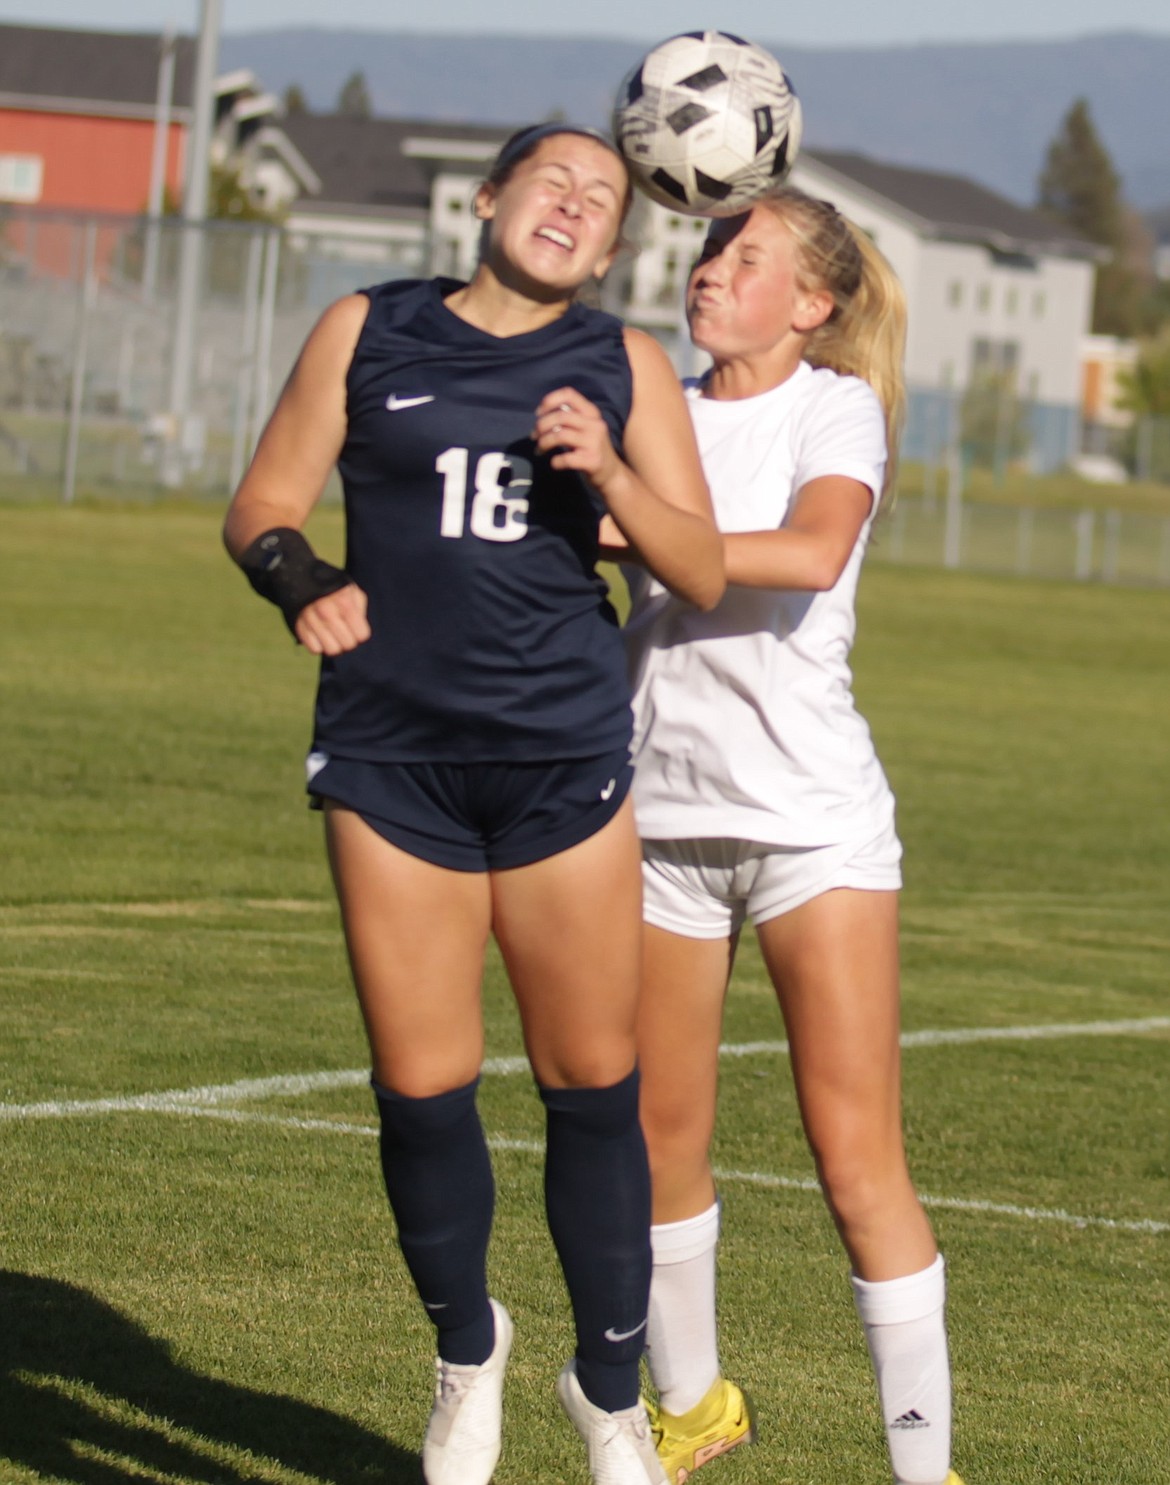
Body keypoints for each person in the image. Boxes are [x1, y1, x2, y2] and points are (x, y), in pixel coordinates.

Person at [223, 122, 724, 1485]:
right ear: (490, 197)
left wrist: (611, 472)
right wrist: (298, 577)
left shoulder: (617, 364)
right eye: (550, 181)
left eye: (601, 200)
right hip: (391, 761)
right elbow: (262, 499)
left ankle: (610, 1397)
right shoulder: (364, 326)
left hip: (561, 762)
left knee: (590, 1085)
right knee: (422, 1088)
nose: (571, 205)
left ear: (614, 247)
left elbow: (703, 566)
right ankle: (466, 1348)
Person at [618, 187, 965, 1485]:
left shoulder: (832, 405)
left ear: (811, 303)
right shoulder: (650, 406)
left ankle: (922, 1471)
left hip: (807, 826)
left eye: (745, 255)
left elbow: (812, 550)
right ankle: (692, 1405)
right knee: (656, 1135)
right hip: (656, 813)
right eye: (711, 245)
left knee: (854, 1158)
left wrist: (625, 515)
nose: (712, 267)